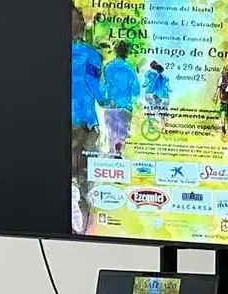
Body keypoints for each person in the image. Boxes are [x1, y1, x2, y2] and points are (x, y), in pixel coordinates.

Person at [70, 6, 102, 233]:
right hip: (84, 120)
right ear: (81, 27)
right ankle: (82, 221)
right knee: (83, 172)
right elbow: (95, 86)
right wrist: (106, 99)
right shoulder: (92, 55)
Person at [99, 41, 140, 156]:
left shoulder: (108, 67)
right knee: (121, 137)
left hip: (111, 107)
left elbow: (103, 86)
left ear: (115, 52)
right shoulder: (130, 69)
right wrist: (132, 100)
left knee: (111, 136)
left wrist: (106, 100)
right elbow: (136, 90)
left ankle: (113, 156)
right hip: (125, 107)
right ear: (127, 53)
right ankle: (119, 155)